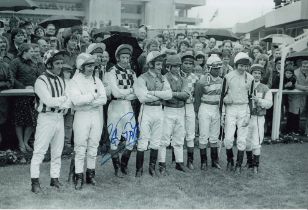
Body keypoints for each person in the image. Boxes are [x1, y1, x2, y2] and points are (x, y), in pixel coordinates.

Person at [30, 49, 70, 194]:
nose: (60, 66)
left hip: (59, 118)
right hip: (46, 118)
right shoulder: (41, 80)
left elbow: (68, 99)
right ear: (49, 64)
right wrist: (63, 100)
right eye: (57, 63)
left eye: (61, 63)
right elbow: (48, 101)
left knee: (57, 151)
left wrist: (63, 102)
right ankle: (34, 182)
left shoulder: (61, 80)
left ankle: (55, 179)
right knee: (40, 151)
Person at [67, 53, 107, 190]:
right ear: (81, 67)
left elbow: (104, 99)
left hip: (95, 115)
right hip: (82, 116)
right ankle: (78, 176)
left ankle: (91, 174)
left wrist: (88, 100)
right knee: (80, 146)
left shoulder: (97, 80)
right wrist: (93, 96)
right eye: (88, 66)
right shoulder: (74, 81)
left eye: (92, 66)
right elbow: (76, 101)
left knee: (93, 145)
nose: (91, 69)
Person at [133, 51, 172, 177]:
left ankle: (152, 168)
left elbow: (169, 94)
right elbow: (143, 98)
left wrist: (153, 93)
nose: (161, 67)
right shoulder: (142, 78)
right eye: (158, 64)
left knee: (156, 140)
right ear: (150, 64)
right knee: (143, 140)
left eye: (161, 64)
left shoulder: (163, 77)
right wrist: (160, 95)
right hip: (146, 110)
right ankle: (139, 169)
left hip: (159, 110)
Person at [105, 44, 138, 177]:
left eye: (127, 57)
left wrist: (127, 93)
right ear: (117, 58)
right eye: (123, 57)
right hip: (115, 107)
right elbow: (116, 93)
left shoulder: (132, 73)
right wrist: (130, 91)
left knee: (131, 138)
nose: (125, 60)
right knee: (114, 138)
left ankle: (124, 165)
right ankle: (117, 168)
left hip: (128, 107)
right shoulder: (111, 72)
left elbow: (138, 92)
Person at [220, 52, 254, 174]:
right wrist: (223, 114)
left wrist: (249, 114)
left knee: (242, 139)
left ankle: (239, 164)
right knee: (228, 139)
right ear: (236, 64)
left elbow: (251, 98)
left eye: (245, 66)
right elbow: (222, 96)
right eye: (241, 65)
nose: (243, 68)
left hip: (244, 108)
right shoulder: (228, 77)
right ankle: (230, 160)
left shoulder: (250, 78)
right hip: (231, 108)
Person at [158, 54, 190, 174]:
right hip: (168, 109)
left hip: (180, 110)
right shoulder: (164, 78)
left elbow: (186, 95)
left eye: (178, 66)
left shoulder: (183, 79)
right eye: (174, 66)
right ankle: (162, 164)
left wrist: (173, 94)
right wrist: (177, 94)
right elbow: (166, 96)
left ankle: (179, 163)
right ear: (169, 67)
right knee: (165, 138)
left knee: (179, 137)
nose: (177, 69)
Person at [9, 43, 41, 153]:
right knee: (20, 120)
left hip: (32, 95)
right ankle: (21, 143)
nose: (33, 53)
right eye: (31, 51)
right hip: (19, 95)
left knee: (33, 120)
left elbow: (38, 76)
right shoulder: (15, 62)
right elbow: (11, 77)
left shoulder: (33, 63)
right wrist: (23, 87)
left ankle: (26, 141)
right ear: (24, 52)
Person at [195, 54, 223, 170]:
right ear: (209, 68)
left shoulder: (222, 81)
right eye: (215, 68)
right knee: (203, 135)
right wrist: (197, 112)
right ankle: (203, 162)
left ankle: (214, 161)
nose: (217, 70)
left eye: (218, 68)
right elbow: (197, 97)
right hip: (205, 107)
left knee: (214, 136)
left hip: (216, 109)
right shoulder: (202, 80)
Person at [246, 64, 272, 174]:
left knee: (256, 141)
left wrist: (259, 101)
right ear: (251, 74)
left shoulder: (265, 88)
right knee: (246, 140)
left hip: (258, 117)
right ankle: (249, 162)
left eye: (259, 73)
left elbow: (269, 104)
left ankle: (256, 164)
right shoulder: (246, 86)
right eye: (255, 73)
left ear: (261, 75)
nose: (257, 75)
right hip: (247, 117)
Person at [180, 52, 200, 170]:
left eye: (190, 64)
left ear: (193, 66)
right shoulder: (177, 75)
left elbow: (197, 95)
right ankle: (177, 159)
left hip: (190, 106)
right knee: (178, 132)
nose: (188, 66)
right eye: (185, 63)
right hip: (178, 106)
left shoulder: (196, 77)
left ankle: (190, 160)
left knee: (190, 133)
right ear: (181, 64)